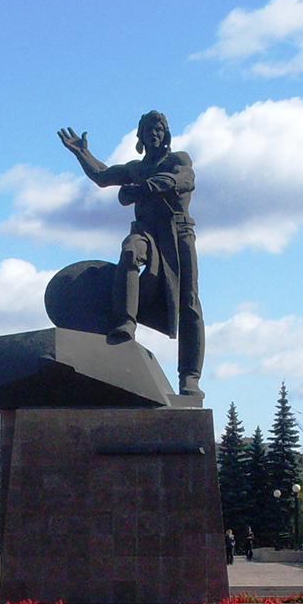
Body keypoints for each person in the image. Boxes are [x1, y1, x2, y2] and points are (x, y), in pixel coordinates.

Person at [58, 111, 205, 397]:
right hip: (147, 232)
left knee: (188, 303)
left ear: (166, 134)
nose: (154, 133)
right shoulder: (136, 167)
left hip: (178, 235)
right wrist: (82, 153)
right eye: (149, 128)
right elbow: (102, 176)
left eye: (159, 128)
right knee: (129, 252)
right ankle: (125, 322)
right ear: (140, 135)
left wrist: (142, 189)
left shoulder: (178, 160)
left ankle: (190, 377)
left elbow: (184, 180)